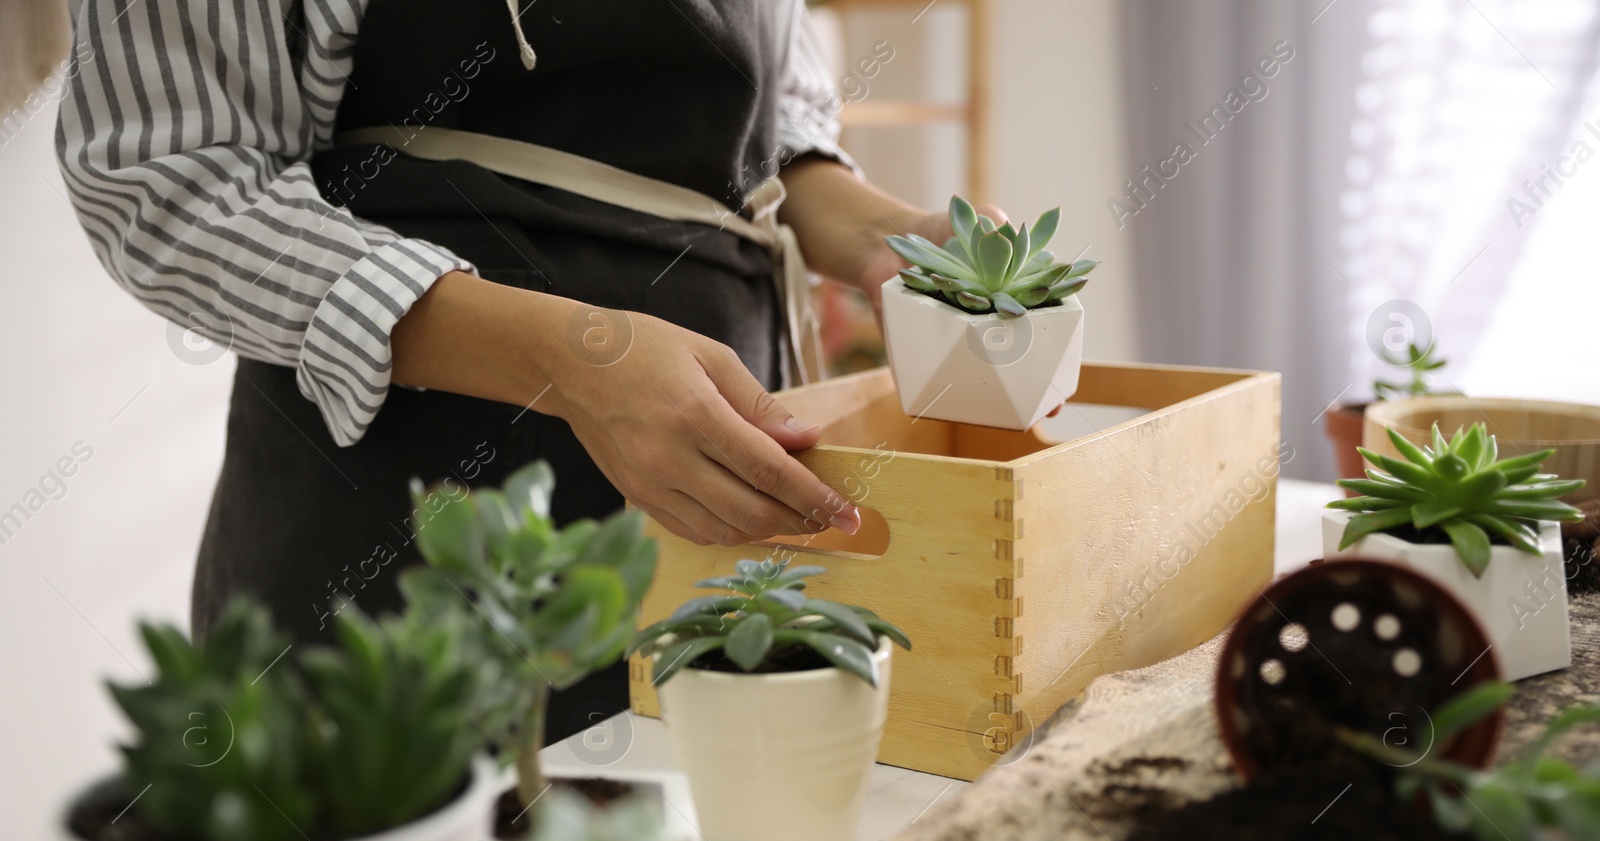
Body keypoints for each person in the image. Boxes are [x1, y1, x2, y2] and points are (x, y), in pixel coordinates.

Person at [56, 0, 1008, 740]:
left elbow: (775, 134)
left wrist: (893, 238)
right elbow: (164, 177)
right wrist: (578, 358)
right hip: (396, 518)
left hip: (707, 549)